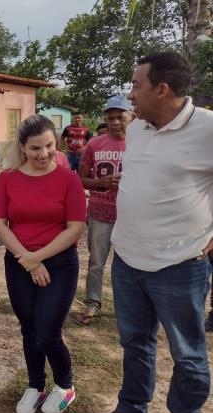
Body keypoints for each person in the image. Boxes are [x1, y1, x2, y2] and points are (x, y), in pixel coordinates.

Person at [93, 52, 213, 413]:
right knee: (135, 342)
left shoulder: (208, 130)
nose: (129, 96)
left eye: (135, 86)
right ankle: (133, 409)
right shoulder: (140, 129)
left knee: (188, 356)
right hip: (128, 258)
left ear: (162, 90)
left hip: (179, 265)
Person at [0, 115, 86, 413]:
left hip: (60, 263)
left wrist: (39, 258)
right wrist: (28, 260)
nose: (43, 154)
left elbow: (75, 228)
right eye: (35, 148)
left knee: (48, 330)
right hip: (19, 260)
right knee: (29, 328)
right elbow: (0, 224)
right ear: (22, 147)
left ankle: (65, 385)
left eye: (49, 145)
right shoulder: (7, 178)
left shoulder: (69, 179)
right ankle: (36, 385)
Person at [74, 95, 132, 326]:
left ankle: (127, 308)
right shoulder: (95, 145)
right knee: (96, 262)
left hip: (132, 214)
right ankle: (92, 304)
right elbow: (82, 179)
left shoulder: (142, 142)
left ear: (131, 116)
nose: (115, 121)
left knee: (129, 263)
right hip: (101, 211)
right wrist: (102, 183)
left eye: (120, 116)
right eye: (110, 117)